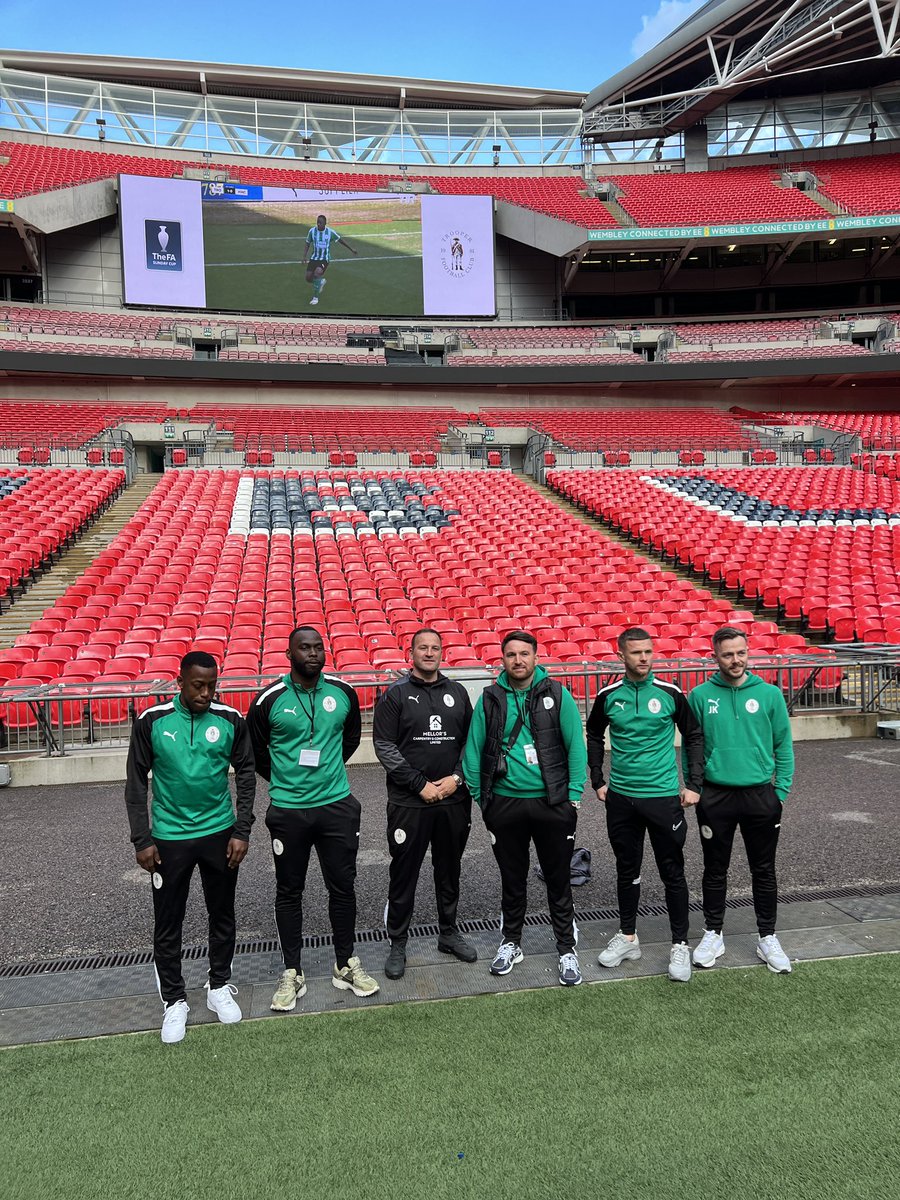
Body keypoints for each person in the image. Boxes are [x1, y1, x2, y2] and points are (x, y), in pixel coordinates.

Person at [124, 650, 256, 1044]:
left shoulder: (231, 720)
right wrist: (142, 838)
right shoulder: (152, 721)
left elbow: (246, 773)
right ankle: (174, 1001)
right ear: (179, 682)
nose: (205, 693)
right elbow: (135, 782)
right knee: (168, 921)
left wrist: (241, 829)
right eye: (198, 685)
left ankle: (218, 987)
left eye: (212, 686)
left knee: (222, 913)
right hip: (169, 838)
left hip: (219, 833)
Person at [247, 626, 378, 1009]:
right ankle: (292, 972)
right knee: (290, 891)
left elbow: (350, 739)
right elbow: (255, 751)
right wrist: (286, 780)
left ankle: (344, 963)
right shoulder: (269, 699)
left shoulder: (343, 692)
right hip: (288, 809)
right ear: (289, 654)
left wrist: (328, 771)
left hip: (336, 805)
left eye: (318, 647)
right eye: (304, 648)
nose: (313, 653)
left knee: (343, 887)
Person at [462, 630, 587, 986]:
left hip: (552, 803)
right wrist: (481, 799)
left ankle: (566, 948)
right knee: (512, 880)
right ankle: (511, 943)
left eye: (524, 654)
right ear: (503, 660)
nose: (518, 660)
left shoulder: (556, 694)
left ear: (536, 657)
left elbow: (574, 745)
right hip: (505, 805)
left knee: (558, 878)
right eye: (511, 655)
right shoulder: (490, 698)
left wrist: (573, 795)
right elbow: (473, 750)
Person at [586, 628, 704, 983]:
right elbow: (593, 733)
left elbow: (694, 734)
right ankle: (627, 937)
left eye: (648, 652)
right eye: (636, 652)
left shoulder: (670, 693)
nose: (644, 658)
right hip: (621, 799)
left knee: (673, 871)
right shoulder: (608, 696)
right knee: (627, 868)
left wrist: (694, 784)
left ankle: (679, 944)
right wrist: (597, 779)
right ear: (621, 655)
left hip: (663, 797)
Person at [686, 625, 795, 974]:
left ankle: (767, 936)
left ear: (749, 653)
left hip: (761, 796)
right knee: (715, 870)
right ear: (714, 656)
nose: (736, 660)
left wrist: (779, 793)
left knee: (763, 870)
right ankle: (713, 933)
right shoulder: (701, 695)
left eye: (741, 652)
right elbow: (694, 747)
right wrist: (696, 786)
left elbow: (784, 746)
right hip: (715, 797)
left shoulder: (769, 694)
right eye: (728, 654)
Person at [373, 628, 476, 980]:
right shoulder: (395, 695)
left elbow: (470, 744)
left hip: (453, 800)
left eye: (435, 648)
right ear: (411, 652)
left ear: (442, 652)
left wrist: (457, 778)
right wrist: (420, 785)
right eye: (423, 648)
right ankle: (398, 943)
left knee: (449, 871)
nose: (429, 653)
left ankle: (448, 934)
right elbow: (385, 745)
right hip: (410, 803)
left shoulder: (458, 692)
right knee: (404, 874)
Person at [302, 213, 358, 306]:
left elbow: (340, 240)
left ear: (324, 224)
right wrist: (304, 256)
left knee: (317, 273)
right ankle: (320, 282)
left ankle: (315, 298)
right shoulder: (312, 231)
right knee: (308, 278)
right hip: (314, 258)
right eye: (317, 222)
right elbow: (307, 242)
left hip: (324, 259)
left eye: (320, 223)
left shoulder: (330, 232)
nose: (318, 224)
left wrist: (351, 249)